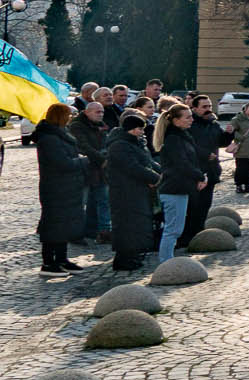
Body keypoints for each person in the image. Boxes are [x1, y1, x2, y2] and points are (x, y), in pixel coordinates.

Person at [32, 102, 89, 274]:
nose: (71, 118)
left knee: (64, 225)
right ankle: (49, 263)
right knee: (53, 226)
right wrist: (83, 160)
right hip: (55, 188)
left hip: (67, 187)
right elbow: (62, 163)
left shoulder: (61, 135)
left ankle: (62, 259)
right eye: (68, 115)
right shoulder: (49, 139)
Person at [106, 109, 160, 272]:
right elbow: (132, 167)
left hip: (137, 190)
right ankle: (123, 259)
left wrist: (160, 172)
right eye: (140, 128)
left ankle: (133, 255)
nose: (143, 131)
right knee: (126, 225)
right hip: (124, 191)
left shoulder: (135, 142)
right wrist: (154, 177)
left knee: (137, 224)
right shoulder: (120, 145)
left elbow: (147, 162)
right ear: (133, 128)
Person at [153, 101, 202, 260]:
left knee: (175, 228)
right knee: (172, 229)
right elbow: (182, 164)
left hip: (180, 187)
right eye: (187, 117)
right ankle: (166, 261)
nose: (191, 120)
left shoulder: (182, 136)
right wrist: (200, 176)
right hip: (174, 188)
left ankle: (168, 259)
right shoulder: (174, 139)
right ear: (176, 120)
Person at [186, 94, 228, 248]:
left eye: (209, 106)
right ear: (195, 108)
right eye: (204, 107)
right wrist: (204, 154)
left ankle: (200, 234)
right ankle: (189, 236)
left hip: (211, 171)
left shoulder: (213, 124)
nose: (208, 109)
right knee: (193, 207)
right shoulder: (190, 125)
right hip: (195, 171)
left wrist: (229, 134)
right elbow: (188, 146)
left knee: (205, 205)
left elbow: (221, 142)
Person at [75, 98, 111, 245]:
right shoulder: (77, 126)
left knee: (102, 200)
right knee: (81, 202)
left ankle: (103, 231)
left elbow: (107, 144)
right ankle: (77, 232)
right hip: (85, 168)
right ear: (87, 112)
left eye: (102, 111)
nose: (101, 114)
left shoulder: (102, 126)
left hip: (100, 170)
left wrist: (106, 156)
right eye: (97, 111)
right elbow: (83, 146)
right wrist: (102, 159)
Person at [230, 99, 249, 195]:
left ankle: (248, 184)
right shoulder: (237, 119)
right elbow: (231, 131)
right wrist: (240, 137)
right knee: (241, 167)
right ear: (245, 109)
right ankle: (238, 185)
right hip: (242, 147)